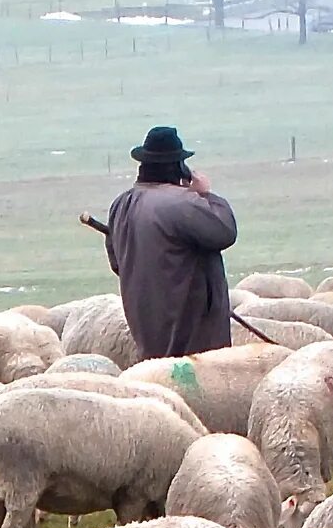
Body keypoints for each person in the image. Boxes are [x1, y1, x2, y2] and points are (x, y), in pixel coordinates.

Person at [88, 126, 238, 360]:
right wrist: (206, 194)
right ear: (179, 166)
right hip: (191, 332)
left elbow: (118, 262)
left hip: (147, 326)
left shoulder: (121, 204)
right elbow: (224, 231)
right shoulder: (182, 203)